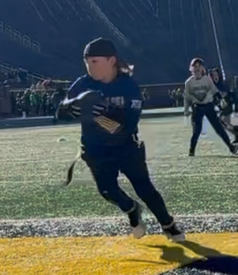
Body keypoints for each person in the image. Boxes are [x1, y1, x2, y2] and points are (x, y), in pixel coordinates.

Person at [58, 39, 185, 241]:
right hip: (95, 149)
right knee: (107, 191)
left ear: (111, 61)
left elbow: (126, 127)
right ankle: (131, 209)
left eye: (95, 62)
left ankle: (168, 224)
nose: (90, 67)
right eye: (87, 62)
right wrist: (70, 106)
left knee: (144, 188)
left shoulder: (128, 86)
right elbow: (60, 112)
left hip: (126, 147)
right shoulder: (82, 84)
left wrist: (97, 116)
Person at [184, 58, 238, 157]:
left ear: (202, 68)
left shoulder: (207, 79)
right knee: (197, 131)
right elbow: (187, 97)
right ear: (191, 69)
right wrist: (186, 109)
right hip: (197, 107)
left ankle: (231, 147)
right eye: (195, 66)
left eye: (199, 66)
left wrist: (221, 101)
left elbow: (214, 91)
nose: (197, 68)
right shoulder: (188, 82)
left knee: (219, 128)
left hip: (208, 106)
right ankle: (191, 151)